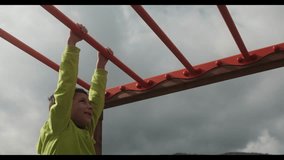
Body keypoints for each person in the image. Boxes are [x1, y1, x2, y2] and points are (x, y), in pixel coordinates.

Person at [36, 23, 112, 154]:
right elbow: (66, 85)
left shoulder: (86, 131)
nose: (90, 106)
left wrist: (101, 66)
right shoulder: (59, 124)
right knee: (66, 90)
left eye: (87, 103)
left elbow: (97, 102)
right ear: (65, 107)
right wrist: (72, 44)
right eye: (83, 101)